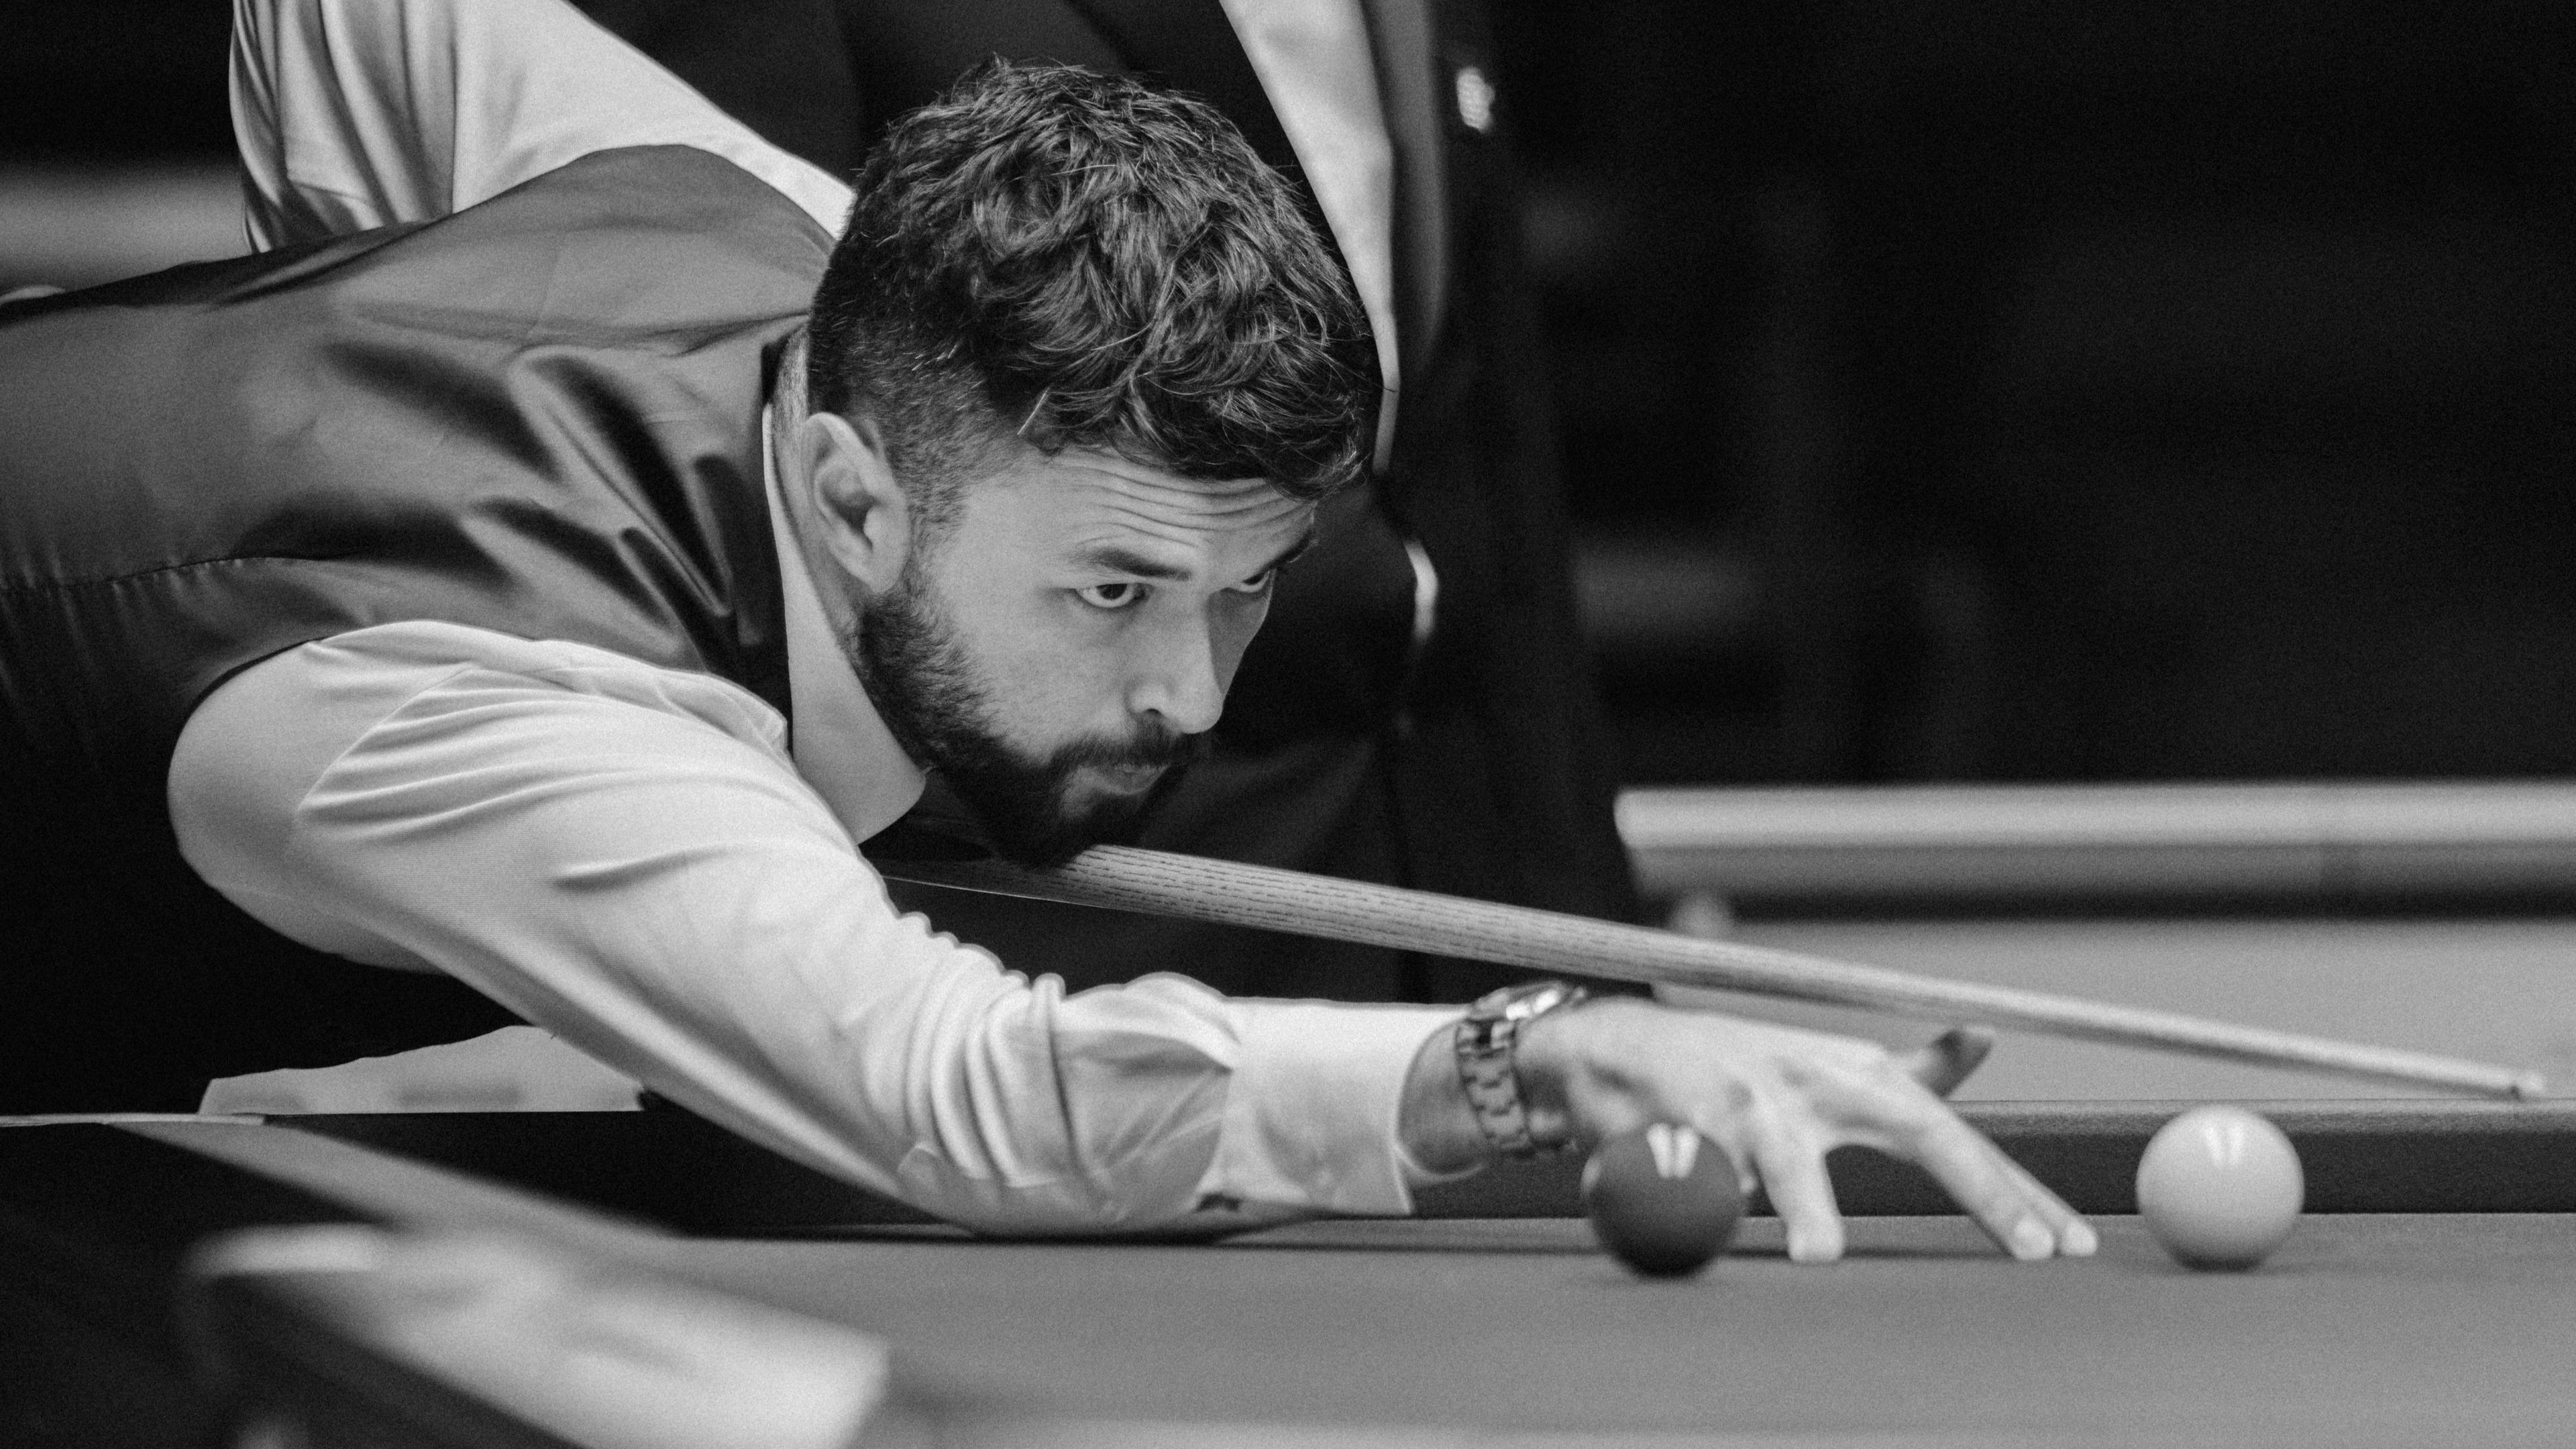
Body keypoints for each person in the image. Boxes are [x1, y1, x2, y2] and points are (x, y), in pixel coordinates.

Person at [0, 0, 2092, 1261]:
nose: (1188, 692)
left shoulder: (798, 241)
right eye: (1110, 593)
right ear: (844, 492)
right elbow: (965, 1099)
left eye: (1240, 590)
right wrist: (1528, 1052)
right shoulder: (502, 705)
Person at [556, 0, 1643, 1004]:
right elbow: (734, 373)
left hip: (1447, 894)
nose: (1198, 698)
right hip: (994, 951)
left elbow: (1479, 475)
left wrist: (1586, 949)